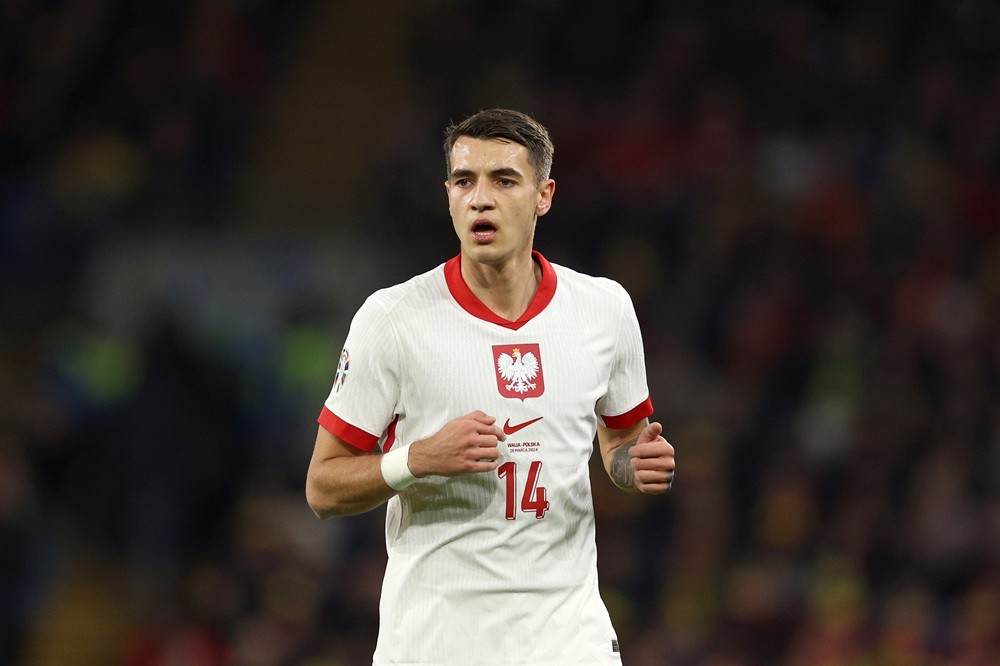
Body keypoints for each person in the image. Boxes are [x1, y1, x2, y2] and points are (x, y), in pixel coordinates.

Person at [306, 108, 676, 665]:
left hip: (567, 641)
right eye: (464, 181)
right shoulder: (392, 319)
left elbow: (621, 442)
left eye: (504, 180)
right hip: (436, 644)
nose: (481, 198)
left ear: (543, 195)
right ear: (449, 195)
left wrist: (633, 465)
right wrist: (420, 458)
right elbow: (322, 489)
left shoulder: (605, 310)